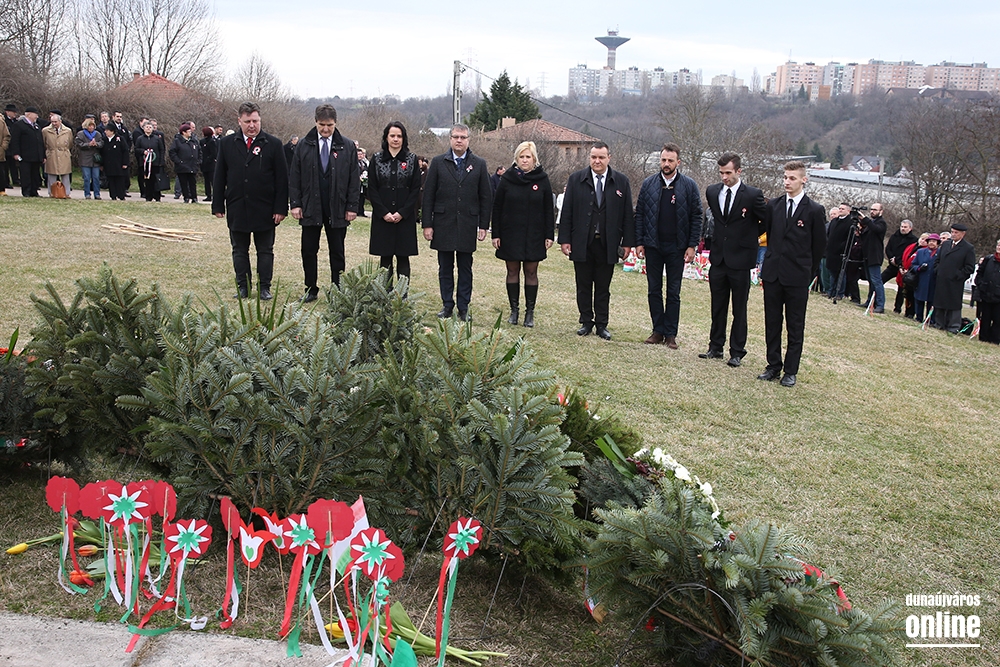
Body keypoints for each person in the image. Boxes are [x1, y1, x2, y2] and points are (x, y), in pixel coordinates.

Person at [758, 161, 826, 388]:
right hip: (773, 274)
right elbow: (769, 235)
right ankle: (773, 365)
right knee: (772, 322)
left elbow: (818, 246)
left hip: (797, 276)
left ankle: (790, 370)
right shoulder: (774, 205)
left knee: (795, 325)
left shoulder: (814, 210)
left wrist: (808, 272)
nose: (787, 182)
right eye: (785, 177)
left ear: (803, 180)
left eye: (792, 178)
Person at [558, 141, 634, 340]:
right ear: (589, 158)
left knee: (603, 287)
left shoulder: (621, 182)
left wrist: (627, 243)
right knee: (583, 285)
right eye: (593, 157)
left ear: (609, 158)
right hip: (582, 242)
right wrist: (564, 239)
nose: (597, 161)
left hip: (608, 243)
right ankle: (586, 321)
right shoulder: (576, 180)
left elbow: (627, 214)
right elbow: (567, 212)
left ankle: (602, 324)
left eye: (601, 157)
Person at [213, 102, 289, 300]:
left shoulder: (273, 144)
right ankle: (243, 287)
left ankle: (264, 287)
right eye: (247, 121)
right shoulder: (226, 144)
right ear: (239, 121)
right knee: (239, 250)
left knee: (265, 250)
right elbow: (219, 176)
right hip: (238, 206)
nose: (252, 125)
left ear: (260, 120)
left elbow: (282, 180)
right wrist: (218, 204)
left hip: (265, 208)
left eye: (255, 121)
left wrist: (280, 208)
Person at [700, 152, 767, 366]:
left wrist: (749, 238)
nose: (724, 177)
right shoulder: (713, 192)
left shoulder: (753, 195)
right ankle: (715, 346)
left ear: (738, 171)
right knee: (717, 306)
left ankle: (737, 351)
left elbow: (765, 221)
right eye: (721, 173)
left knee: (739, 308)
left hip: (741, 259)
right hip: (719, 258)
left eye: (728, 173)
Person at [288, 104, 360, 301]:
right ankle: (310, 289)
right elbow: (295, 176)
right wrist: (295, 203)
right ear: (315, 122)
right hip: (310, 206)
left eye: (329, 125)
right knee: (308, 250)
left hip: (338, 207)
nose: (326, 129)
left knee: (337, 251)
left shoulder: (347, 146)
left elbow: (354, 179)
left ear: (335, 123)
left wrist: (352, 206)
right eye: (322, 125)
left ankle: (337, 290)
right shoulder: (304, 145)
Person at [634, 143, 702, 348]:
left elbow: (697, 216)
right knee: (654, 290)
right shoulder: (648, 184)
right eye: (663, 160)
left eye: (670, 160)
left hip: (677, 247)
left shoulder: (689, 186)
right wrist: (639, 242)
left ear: (678, 162)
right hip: (653, 245)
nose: (666, 164)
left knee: (673, 292)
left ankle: (671, 333)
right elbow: (640, 214)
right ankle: (657, 330)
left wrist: (692, 245)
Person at [422, 123, 492, 321]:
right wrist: (427, 224)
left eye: (463, 137)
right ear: (450, 139)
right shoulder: (438, 162)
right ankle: (447, 305)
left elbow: (486, 197)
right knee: (445, 268)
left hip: (468, 223)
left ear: (468, 140)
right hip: (443, 222)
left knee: (465, 268)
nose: (459, 141)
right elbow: (428, 196)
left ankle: (463, 307)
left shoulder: (479, 164)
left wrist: (483, 225)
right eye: (456, 137)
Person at [491, 141, 555, 328]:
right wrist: (496, 233)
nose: (525, 160)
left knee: (531, 272)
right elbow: (497, 207)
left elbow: (548, 209)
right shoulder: (507, 178)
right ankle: (514, 310)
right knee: (512, 271)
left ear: (534, 159)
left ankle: (529, 312)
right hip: (510, 233)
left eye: (528, 157)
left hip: (534, 234)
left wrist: (549, 235)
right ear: (516, 159)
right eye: (521, 157)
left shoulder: (542, 179)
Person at [367, 121, 421, 283]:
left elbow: (415, 189)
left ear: (404, 138)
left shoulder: (412, 159)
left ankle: (402, 293)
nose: (396, 139)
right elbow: (372, 188)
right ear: (386, 137)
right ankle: (385, 292)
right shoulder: (377, 159)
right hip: (382, 216)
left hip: (404, 216)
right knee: (385, 258)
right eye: (392, 136)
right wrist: (383, 212)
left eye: (399, 136)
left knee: (403, 257)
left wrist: (402, 213)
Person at [933, 223, 976, 333]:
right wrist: (938, 270)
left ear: (963, 234)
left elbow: (969, 267)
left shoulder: (968, 248)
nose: (953, 234)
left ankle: (953, 326)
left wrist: (958, 275)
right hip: (942, 279)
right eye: (952, 232)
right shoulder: (946, 244)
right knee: (940, 301)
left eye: (956, 233)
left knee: (953, 305)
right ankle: (939, 323)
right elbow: (938, 260)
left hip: (955, 282)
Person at [883, 219, 917, 313]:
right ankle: (875, 301)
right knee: (880, 280)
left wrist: (898, 261)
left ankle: (897, 309)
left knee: (901, 289)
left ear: (910, 228)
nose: (903, 229)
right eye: (902, 226)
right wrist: (891, 258)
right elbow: (888, 248)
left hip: (903, 267)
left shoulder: (913, 240)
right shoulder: (894, 236)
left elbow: (908, 253)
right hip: (892, 265)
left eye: (905, 227)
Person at [974, 239, 1000, 344]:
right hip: (986, 294)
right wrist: (981, 284)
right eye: (998, 245)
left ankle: (995, 339)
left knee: (997, 319)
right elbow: (979, 273)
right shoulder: (989, 259)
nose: (999, 247)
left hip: (998, 297)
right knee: (985, 317)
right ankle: (983, 337)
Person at [42, 111, 73, 196]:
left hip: (64, 154)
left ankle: (66, 193)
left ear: (60, 121)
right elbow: (44, 143)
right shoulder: (45, 131)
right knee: (51, 175)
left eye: (55, 122)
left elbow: (70, 143)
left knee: (65, 175)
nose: (54, 124)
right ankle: (52, 193)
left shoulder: (68, 131)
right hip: (51, 154)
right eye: (52, 122)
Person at [169, 122, 200, 203]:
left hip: (192, 165)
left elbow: (199, 151)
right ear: (183, 132)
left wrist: (198, 161)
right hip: (182, 166)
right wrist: (178, 161)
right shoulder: (177, 141)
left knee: (192, 183)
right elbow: (172, 152)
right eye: (189, 131)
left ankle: (194, 198)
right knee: (183, 183)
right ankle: (186, 197)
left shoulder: (194, 141)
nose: (191, 132)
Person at [826, 203, 852, 300]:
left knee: (840, 273)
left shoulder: (850, 223)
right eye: (840, 208)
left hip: (841, 252)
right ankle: (831, 291)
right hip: (831, 251)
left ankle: (839, 293)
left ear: (848, 211)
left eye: (842, 209)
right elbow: (828, 234)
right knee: (832, 272)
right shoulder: (834, 221)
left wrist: (841, 247)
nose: (840, 210)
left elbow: (850, 238)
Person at [133, 121, 165, 201]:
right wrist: (143, 151)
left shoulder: (157, 139)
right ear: (143, 128)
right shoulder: (140, 139)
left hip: (155, 163)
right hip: (145, 163)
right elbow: (136, 149)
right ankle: (148, 196)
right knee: (147, 180)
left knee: (156, 180)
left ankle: (157, 196)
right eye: (147, 127)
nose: (148, 129)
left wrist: (161, 161)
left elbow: (161, 150)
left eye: (150, 127)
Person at [912, 234, 940, 324]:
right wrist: (919, 268)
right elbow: (913, 265)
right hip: (922, 279)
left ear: (937, 243)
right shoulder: (920, 252)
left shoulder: (940, 253)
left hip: (934, 280)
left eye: (934, 241)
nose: (931, 243)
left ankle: (930, 319)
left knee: (931, 301)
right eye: (930, 241)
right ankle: (918, 317)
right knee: (919, 299)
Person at [898, 232, 927, 319]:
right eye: (922, 238)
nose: (922, 241)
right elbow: (904, 257)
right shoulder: (912, 247)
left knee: (912, 295)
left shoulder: (924, 251)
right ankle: (905, 311)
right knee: (905, 293)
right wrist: (901, 267)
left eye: (925, 240)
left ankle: (911, 312)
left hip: (915, 275)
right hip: (905, 273)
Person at [74, 117, 103, 199]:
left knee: (96, 177)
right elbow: (78, 144)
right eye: (89, 126)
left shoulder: (97, 134)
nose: (91, 127)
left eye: (92, 126)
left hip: (95, 160)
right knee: (86, 178)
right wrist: (88, 144)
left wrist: (96, 144)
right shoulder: (81, 134)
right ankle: (87, 193)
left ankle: (97, 194)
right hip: (85, 159)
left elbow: (102, 143)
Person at [99, 123, 130, 200]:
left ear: (112, 131)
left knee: (119, 180)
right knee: (110, 180)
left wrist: (125, 163)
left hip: (118, 164)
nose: (105, 132)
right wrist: (101, 164)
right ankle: (113, 195)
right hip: (108, 164)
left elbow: (125, 151)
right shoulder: (104, 140)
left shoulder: (120, 139)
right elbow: (101, 153)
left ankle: (121, 195)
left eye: (107, 130)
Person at [199, 127, 218, 201]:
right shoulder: (202, 141)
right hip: (204, 164)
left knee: (213, 180)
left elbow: (214, 153)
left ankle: (216, 195)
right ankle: (208, 195)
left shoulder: (212, 141)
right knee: (206, 181)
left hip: (211, 164)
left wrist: (208, 159)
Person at [2, 103, 19, 189]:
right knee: (6, 166)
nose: (15, 114)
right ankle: (6, 181)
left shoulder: (15, 122)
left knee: (14, 165)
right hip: (6, 147)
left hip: (13, 146)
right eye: (13, 112)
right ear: (7, 112)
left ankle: (16, 179)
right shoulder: (4, 121)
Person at [357, 145, 369, 216]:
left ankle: (361, 212)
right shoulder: (354, 163)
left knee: (362, 198)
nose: (360, 156)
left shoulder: (364, 163)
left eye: (361, 154)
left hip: (363, 183)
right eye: (358, 154)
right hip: (356, 184)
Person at [0, 109, 9, 196]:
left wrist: (3, 148)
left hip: (0, 151)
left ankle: (1, 189)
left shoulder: (1, 121)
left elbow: (6, 136)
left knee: (1, 172)